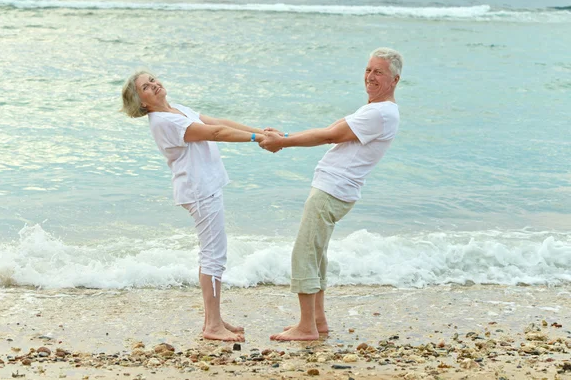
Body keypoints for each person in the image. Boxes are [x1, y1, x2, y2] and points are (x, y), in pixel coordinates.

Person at [260, 48, 402, 341]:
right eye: (368, 70)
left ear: (394, 79)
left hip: (333, 190)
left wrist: (282, 144)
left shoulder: (380, 112)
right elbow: (330, 129)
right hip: (334, 188)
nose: (370, 77)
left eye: (379, 72)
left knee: (305, 253)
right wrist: (283, 137)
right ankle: (318, 321)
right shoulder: (373, 110)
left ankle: (306, 327)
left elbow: (330, 136)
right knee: (317, 253)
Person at [121, 71, 271, 342]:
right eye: (146, 86)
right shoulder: (163, 121)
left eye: (153, 80)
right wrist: (256, 140)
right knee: (214, 255)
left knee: (213, 253)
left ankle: (213, 319)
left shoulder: (176, 110)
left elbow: (218, 121)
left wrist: (262, 131)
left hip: (206, 186)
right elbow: (214, 132)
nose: (154, 85)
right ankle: (212, 326)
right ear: (142, 102)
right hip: (199, 189)